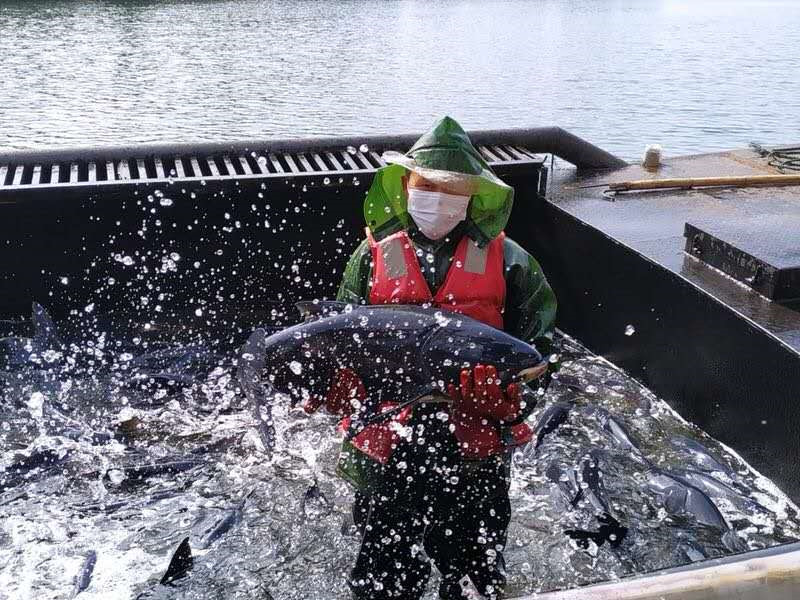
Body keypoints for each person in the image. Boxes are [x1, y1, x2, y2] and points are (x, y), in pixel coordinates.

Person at [305, 116, 557, 600]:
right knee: (382, 576)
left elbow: (542, 358)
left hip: (475, 450)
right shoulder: (370, 256)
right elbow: (336, 342)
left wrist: (511, 402)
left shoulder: (514, 262)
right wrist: (336, 391)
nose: (437, 198)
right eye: (426, 185)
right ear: (404, 185)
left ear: (473, 194)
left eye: (451, 188)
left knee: (475, 576)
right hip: (386, 442)